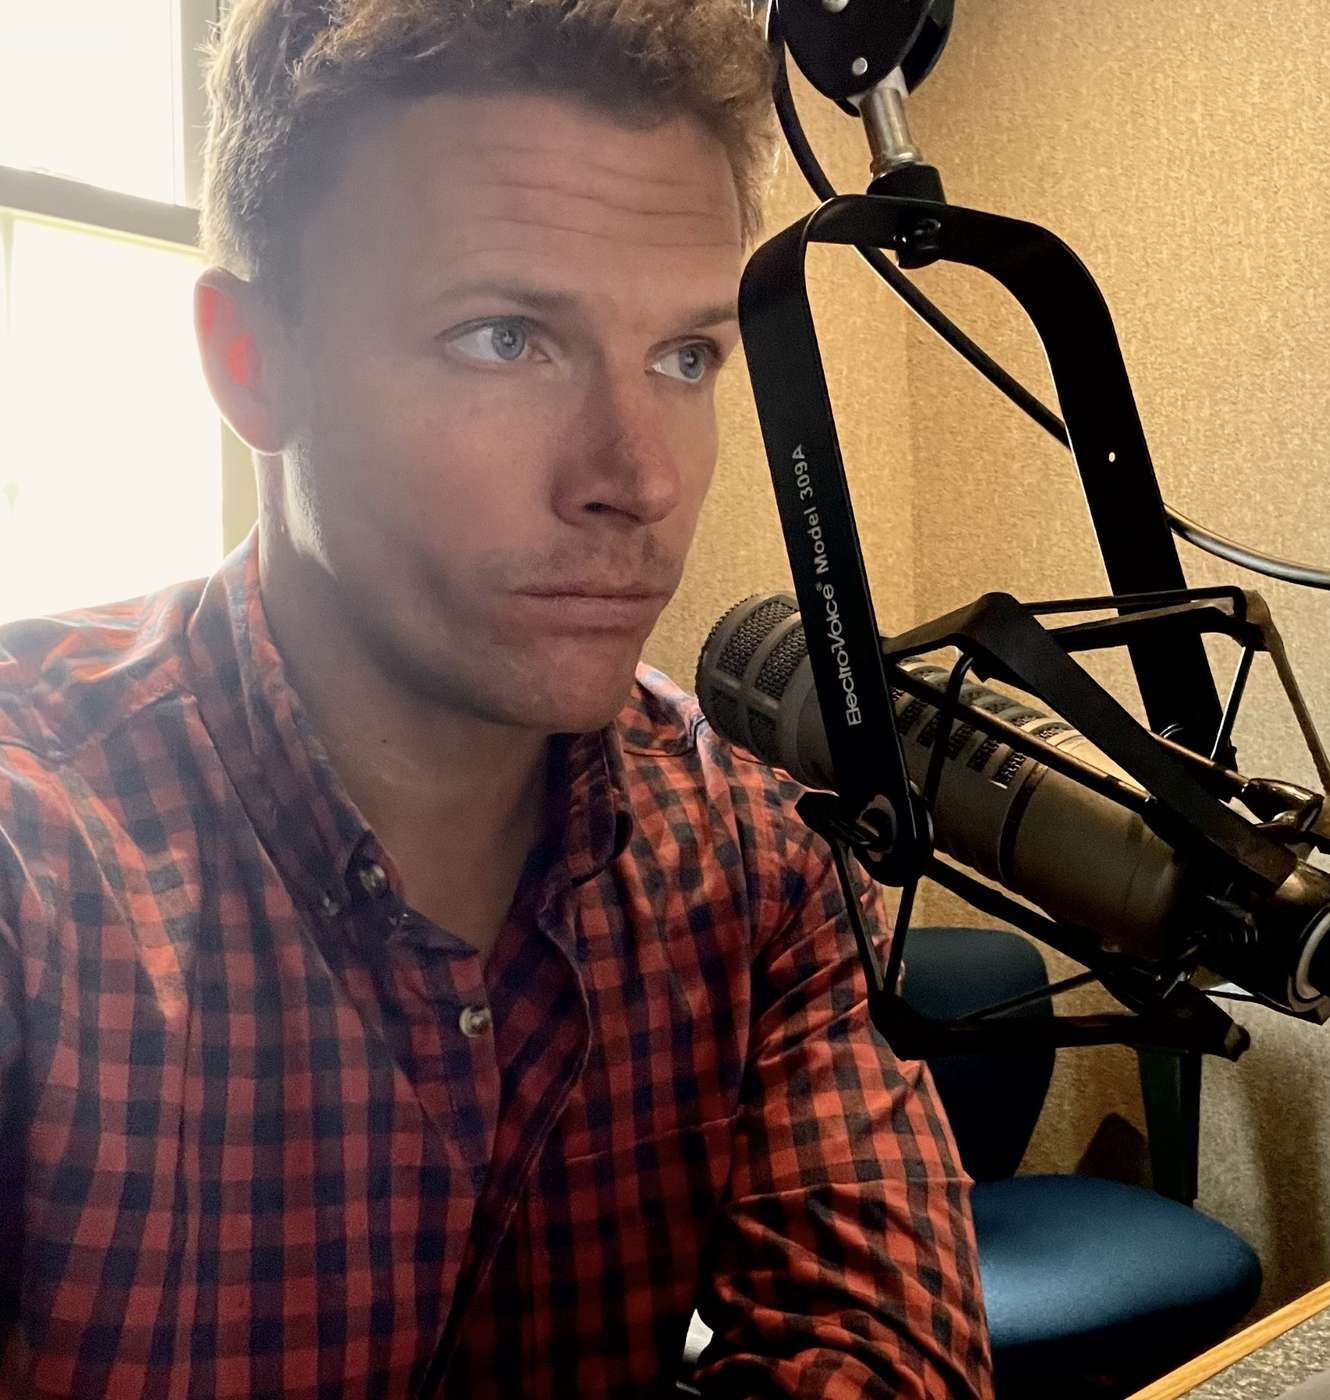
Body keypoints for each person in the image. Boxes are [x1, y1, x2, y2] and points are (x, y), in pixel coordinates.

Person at [0, 1, 991, 1395]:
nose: (639, 481)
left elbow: (889, 1358)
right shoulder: (37, 862)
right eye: (504, 339)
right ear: (252, 361)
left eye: (687, 357)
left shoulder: (756, 862)